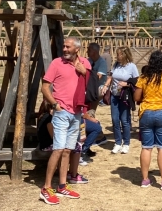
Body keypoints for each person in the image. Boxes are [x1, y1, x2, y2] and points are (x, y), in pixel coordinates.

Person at [39, 38, 92, 205]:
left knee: (69, 150)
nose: (64, 49)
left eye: (68, 47)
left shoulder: (85, 63)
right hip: (62, 113)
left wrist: (85, 72)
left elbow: (92, 85)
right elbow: (45, 87)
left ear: (77, 49)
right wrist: (55, 104)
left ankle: (62, 185)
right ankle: (46, 188)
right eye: (64, 46)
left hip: (76, 113)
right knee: (58, 149)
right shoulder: (56, 63)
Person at [133, 50, 162, 190]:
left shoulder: (144, 77)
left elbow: (136, 97)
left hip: (146, 112)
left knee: (146, 147)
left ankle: (145, 179)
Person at [104, 46, 139, 154]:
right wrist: (106, 86)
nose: (117, 56)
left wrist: (127, 84)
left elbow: (137, 81)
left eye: (119, 54)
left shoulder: (132, 66)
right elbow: (110, 76)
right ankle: (118, 142)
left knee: (125, 120)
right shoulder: (116, 65)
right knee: (115, 120)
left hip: (125, 96)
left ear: (124, 55)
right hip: (114, 95)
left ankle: (126, 143)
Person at [82, 43, 108, 159]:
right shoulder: (88, 61)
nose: (87, 51)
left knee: (89, 114)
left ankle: (89, 143)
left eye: (89, 49)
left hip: (96, 92)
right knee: (88, 114)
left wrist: (85, 75)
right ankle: (98, 136)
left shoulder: (102, 63)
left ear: (95, 51)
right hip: (88, 91)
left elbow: (97, 78)